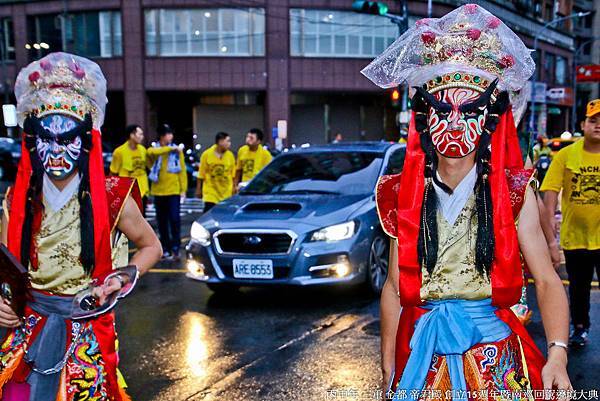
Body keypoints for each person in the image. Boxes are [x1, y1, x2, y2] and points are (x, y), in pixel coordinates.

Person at [363, 5, 571, 398]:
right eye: (443, 109)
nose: (455, 122)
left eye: (470, 110)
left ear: (489, 119)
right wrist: (389, 362)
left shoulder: (511, 193)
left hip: (495, 357)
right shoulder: (401, 192)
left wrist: (557, 353)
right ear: (425, 116)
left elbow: (545, 279)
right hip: (421, 355)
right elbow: (393, 287)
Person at [0, 52, 162, 401]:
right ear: (33, 140)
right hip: (27, 328)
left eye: (67, 138)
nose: (56, 150)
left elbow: (152, 247)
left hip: (85, 331)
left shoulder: (113, 196)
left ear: (86, 140)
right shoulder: (18, 199)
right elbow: (4, 268)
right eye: (47, 138)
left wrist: (119, 278)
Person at [541, 98, 600, 347]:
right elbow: (549, 199)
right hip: (574, 238)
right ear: (583, 124)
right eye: (593, 120)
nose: (598, 125)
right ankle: (579, 328)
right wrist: (551, 243)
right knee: (578, 290)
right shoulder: (566, 155)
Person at [147, 124, 187, 261]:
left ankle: (176, 248)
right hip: (158, 192)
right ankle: (166, 248)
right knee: (162, 222)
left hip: (174, 191)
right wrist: (169, 148)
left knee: (175, 220)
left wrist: (183, 190)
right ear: (162, 136)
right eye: (168, 134)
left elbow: (182, 171)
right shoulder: (155, 150)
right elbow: (150, 155)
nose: (171, 137)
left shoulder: (177, 152)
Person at [110, 124, 150, 211]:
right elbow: (113, 173)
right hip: (127, 191)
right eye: (140, 134)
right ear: (132, 135)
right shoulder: (119, 152)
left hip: (142, 189)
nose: (142, 137)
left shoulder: (143, 149)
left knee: (142, 217)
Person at [195, 132, 236, 212]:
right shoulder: (206, 154)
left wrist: (234, 187)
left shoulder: (230, 156)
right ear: (220, 142)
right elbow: (201, 174)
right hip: (211, 192)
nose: (229, 144)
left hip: (226, 192)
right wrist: (198, 189)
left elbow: (233, 174)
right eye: (227, 141)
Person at [233, 128, 272, 193]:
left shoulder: (266, 154)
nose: (248, 139)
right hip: (244, 185)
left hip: (258, 187)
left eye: (251, 138)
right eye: (247, 137)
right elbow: (238, 170)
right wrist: (235, 185)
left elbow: (268, 174)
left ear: (258, 141)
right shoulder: (242, 150)